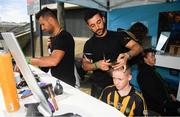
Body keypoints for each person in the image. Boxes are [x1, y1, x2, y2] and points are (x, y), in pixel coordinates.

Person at [82, 9, 143, 98]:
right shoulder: (89, 44)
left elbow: (138, 47)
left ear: (103, 19)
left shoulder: (118, 36)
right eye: (93, 25)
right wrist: (97, 65)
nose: (97, 27)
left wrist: (127, 55)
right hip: (99, 87)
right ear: (89, 27)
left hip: (120, 85)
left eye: (99, 22)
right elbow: (85, 66)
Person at [30, 7, 76, 87]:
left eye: (43, 24)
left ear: (51, 20)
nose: (42, 28)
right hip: (57, 82)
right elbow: (50, 61)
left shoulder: (64, 37)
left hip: (66, 86)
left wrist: (28, 61)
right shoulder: (54, 38)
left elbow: (53, 61)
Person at [137, 48, 180, 115]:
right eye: (152, 56)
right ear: (145, 59)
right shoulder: (144, 74)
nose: (154, 58)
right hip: (157, 108)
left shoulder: (151, 70)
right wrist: (167, 103)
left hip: (164, 102)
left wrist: (170, 93)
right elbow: (154, 93)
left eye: (154, 56)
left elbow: (161, 84)